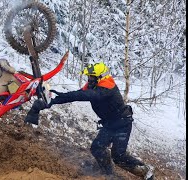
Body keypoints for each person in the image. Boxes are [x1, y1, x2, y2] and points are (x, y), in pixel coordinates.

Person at [25, 62, 154, 179]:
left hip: (122, 124)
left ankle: (145, 171)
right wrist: (52, 101)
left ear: (100, 77)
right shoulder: (94, 85)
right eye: (89, 77)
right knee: (97, 148)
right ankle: (108, 174)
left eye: (92, 77)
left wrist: (56, 100)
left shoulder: (106, 89)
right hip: (109, 124)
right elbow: (75, 95)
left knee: (118, 156)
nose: (89, 79)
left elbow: (82, 95)